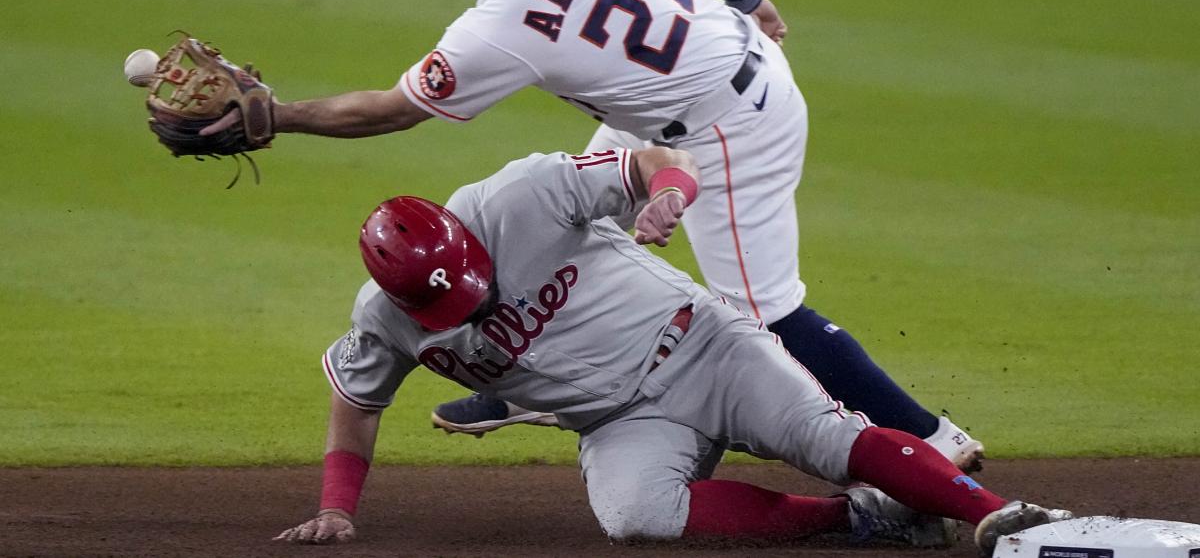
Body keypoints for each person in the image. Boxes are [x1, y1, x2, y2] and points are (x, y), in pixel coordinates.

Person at [204, 0, 982, 468]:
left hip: (729, 130)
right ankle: (519, 389)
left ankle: (931, 437)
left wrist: (279, 114)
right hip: (733, 68)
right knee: (579, 213)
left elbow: (391, 110)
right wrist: (751, 0)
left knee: (766, 312)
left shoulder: (497, 25)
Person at [272, 146, 1068, 553]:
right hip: (622, 421)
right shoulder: (385, 317)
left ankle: (1004, 519)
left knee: (832, 438)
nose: (470, 299)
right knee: (639, 519)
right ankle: (861, 520)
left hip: (704, 346)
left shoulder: (519, 194)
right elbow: (356, 395)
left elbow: (660, 159)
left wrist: (666, 199)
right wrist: (336, 508)